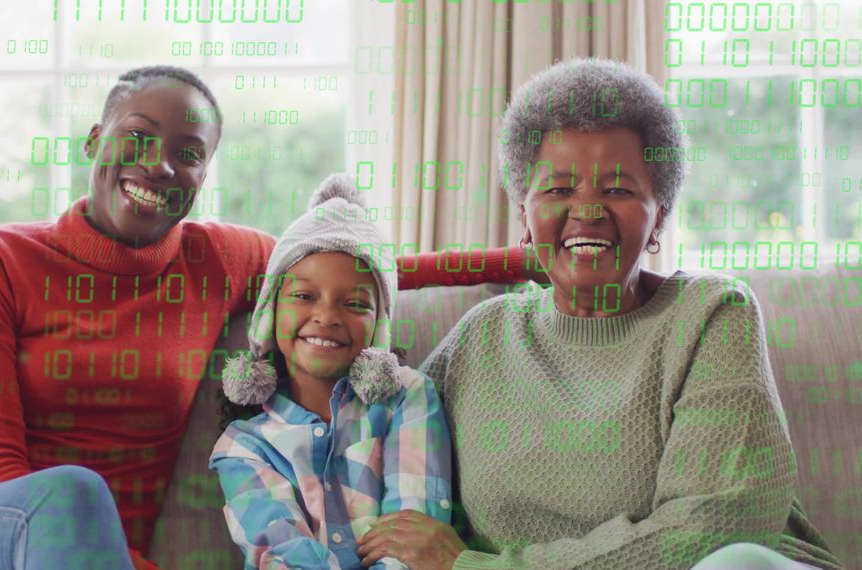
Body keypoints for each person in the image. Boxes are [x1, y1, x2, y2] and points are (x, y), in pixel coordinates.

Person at [0, 66, 537, 569]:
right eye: (137, 137)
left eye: (187, 153)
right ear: (95, 140)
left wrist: (529, 259)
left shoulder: (217, 258)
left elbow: (349, 268)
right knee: (69, 494)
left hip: (101, 558)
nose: (158, 165)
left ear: (203, 173)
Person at [355, 58, 844, 570]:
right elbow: (364, 432)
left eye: (617, 189)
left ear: (659, 216)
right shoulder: (481, 337)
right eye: (558, 189)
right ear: (524, 215)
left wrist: (478, 567)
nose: (588, 210)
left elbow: (718, 524)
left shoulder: (712, 316)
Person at [209, 173, 452, 569]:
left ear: (379, 328)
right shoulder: (243, 446)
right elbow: (282, 556)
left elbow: (414, 543)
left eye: (355, 303)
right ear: (270, 315)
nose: (326, 316)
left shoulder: (408, 398)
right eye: (304, 295)